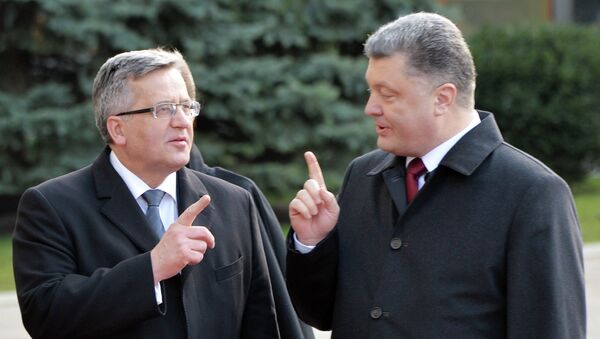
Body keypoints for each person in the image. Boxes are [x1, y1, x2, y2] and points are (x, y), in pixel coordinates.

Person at [286, 12, 586, 338]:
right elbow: (320, 314)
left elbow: (552, 329)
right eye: (371, 91)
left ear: (442, 99)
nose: (370, 108)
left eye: (387, 94)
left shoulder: (532, 192)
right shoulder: (362, 175)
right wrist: (313, 244)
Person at [13, 48, 279, 338]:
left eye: (187, 107)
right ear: (118, 129)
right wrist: (152, 267)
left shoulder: (234, 200)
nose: (182, 121)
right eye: (163, 109)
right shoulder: (52, 205)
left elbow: (260, 320)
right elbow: (46, 313)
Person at [187, 144, 315, 339]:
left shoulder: (237, 197)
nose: (180, 121)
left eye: (187, 111)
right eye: (162, 111)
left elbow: (277, 304)